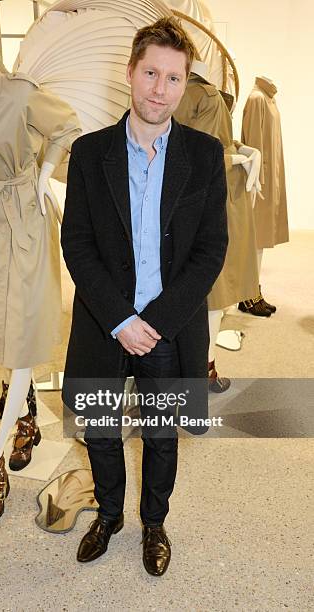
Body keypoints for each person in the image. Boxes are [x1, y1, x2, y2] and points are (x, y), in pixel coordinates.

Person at [61, 17, 228, 576]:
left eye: (173, 78)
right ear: (131, 73)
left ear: (186, 84)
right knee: (102, 432)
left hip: (167, 325)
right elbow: (78, 246)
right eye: (151, 73)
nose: (160, 89)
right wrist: (120, 319)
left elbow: (210, 250)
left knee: (161, 433)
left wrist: (153, 322)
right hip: (106, 322)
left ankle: (154, 521)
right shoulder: (88, 154)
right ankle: (108, 515)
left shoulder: (205, 155)